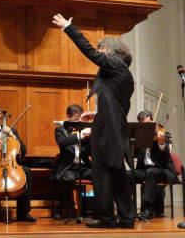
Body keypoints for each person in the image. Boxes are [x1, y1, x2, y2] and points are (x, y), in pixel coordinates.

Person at [52, 14, 135, 228]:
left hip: (108, 132)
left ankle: (110, 218)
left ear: (110, 50)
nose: (99, 53)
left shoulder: (116, 65)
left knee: (105, 175)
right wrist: (95, 116)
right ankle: (124, 219)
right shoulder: (120, 73)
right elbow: (114, 105)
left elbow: (88, 51)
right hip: (111, 129)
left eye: (102, 49)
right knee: (114, 175)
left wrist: (69, 27)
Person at [130, 110, 178, 219]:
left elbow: (167, 154)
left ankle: (147, 210)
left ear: (153, 121)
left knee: (151, 172)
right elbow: (134, 155)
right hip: (146, 170)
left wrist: (161, 143)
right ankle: (126, 208)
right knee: (128, 174)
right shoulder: (140, 137)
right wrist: (133, 144)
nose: (146, 127)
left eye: (148, 124)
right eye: (143, 125)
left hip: (163, 170)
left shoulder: (161, 133)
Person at [50, 104, 92, 219]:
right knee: (69, 179)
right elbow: (63, 142)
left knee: (101, 175)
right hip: (68, 168)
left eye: (80, 118)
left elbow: (91, 151)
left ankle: (95, 209)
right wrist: (80, 135)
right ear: (68, 116)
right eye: (75, 117)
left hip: (84, 168)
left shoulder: (85, 130)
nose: (78, 120)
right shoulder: (60, 130)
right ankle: (61, 208)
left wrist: (91, 137)